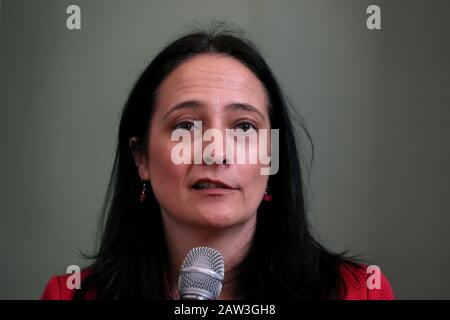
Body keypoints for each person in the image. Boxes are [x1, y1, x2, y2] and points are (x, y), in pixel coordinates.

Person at [41, 23, 394, 300]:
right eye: (186, 126)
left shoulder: (357, 293)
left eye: (243, 127)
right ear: (141, 158)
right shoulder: (68, 295)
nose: (216, 151)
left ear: (270, 157)